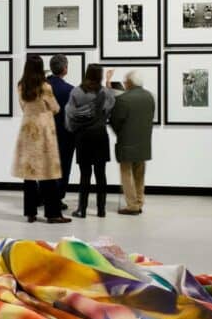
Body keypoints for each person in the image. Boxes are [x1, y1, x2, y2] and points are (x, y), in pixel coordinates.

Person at [12, 55, 71, 224]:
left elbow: (23, 106)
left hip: (27, 129)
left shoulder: (21, 85)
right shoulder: (45, 87)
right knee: (48, 172)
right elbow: (55, 108)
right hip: (43, 130)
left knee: (29, 173)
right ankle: (53, 214)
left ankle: (30, 213)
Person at [65, 64, 115, 218]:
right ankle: (101, 210)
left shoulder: (76, 92)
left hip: (83, 136)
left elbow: (70, 115)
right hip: (100, 135)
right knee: (101, 174)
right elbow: (110, 109)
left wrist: (74, 128)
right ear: (100, 75)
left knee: (85, 174)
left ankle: (82, 209)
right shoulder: (105, 93)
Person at [109, 70, 155, 215]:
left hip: (127, 142)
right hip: (144, 142)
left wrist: (120, 133)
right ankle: (139, 202)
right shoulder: (149, 96)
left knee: (126, 174)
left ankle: (132, 206)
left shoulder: (123, 99)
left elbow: (115, 121)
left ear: (130, 83)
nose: (124, 83)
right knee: (140, 174)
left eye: (125, 81)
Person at [46, 54, 75, 210]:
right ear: (65, 69)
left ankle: (44, 195)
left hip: (45, 132)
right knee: (63, 166)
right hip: (64, 134)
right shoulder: (70, 90)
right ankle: (57, 198)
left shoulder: (42, 87)